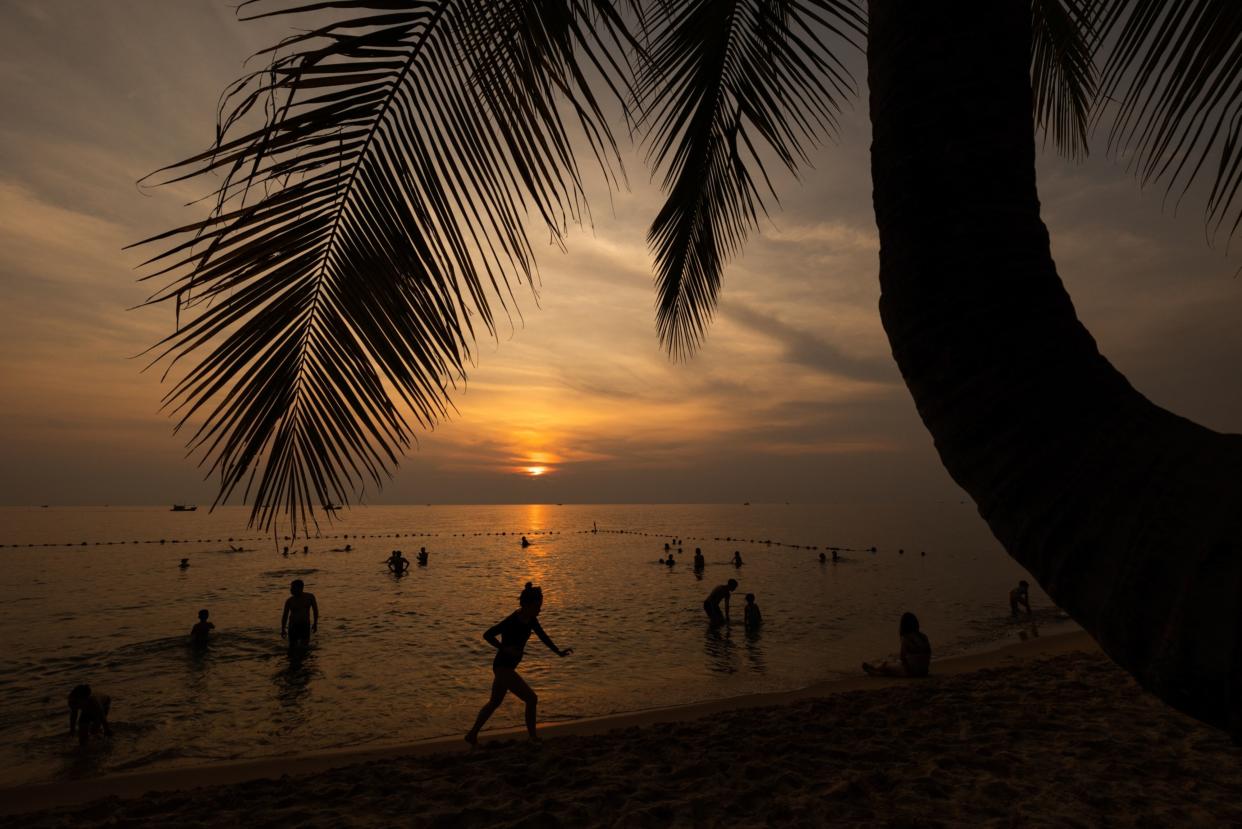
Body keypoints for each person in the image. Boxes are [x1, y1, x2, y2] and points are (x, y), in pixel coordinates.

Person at [465, 582, 572, 745]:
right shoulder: (513, 620)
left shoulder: (531, 620)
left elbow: (543, 637)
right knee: (531, 699)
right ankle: (533, 737)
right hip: (502, 666)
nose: (540, 609)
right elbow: (487, 634)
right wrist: (505, 649)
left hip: (507, 667)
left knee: (495, 702)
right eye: (538, 605)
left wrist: (558, 652)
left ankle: (472, 734)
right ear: (528, 605)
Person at [862, 612, 932, 678]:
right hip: (924, 672)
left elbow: (903, 657)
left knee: (886, 665)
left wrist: (906, 669)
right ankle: (876, 671)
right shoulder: (923, 636)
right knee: (893, 666)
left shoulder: (906, 638)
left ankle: (875, 669)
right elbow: (928, 653)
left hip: (911, 672)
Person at [281, 579, 319, 651]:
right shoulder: (290, 600)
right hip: (293, 626)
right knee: (292, 648)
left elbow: (315, 611)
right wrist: (283, 629)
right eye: (291, 588)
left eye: (293, 588)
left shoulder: (310, 597)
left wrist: (315, 623)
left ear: (300, 588)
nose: (291, 590)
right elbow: (285, 615)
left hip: (305, 625)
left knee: (305, 648)